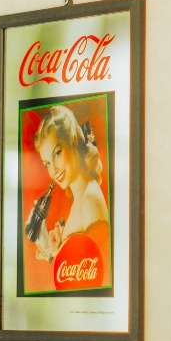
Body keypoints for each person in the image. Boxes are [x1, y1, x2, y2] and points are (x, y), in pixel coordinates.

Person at [30, 105, 110, 287]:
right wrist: (55, 250)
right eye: (47, 163)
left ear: (73, 140)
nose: (54, 170)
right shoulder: (80, 199)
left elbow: (98, 281)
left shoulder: (90, 201)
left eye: (57, 153)